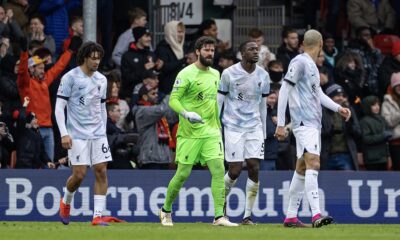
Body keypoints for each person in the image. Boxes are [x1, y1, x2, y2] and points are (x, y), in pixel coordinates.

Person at [274, 29, 351, 228]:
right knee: (313, 164)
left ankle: (291, 217)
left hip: (311, 124)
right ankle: (316, 214)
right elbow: (284, 90)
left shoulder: (312, 66)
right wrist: (281, 123)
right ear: (321, 43)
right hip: (304, 123)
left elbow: (319, 94)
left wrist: (338, 108)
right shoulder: (299, 62)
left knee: (301, 168)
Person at [158, 36, 238, 227]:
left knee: (219, 170)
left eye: (212, 50)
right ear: (197, 52)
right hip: (190, 132)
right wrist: (186, 113)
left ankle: (219, 216)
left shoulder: (216, 74)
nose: (210, 54)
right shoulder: (186, 74)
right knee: (183, 174)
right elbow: (173, 100)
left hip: (212, 131)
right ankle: (165, 210)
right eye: (206, 50)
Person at [55, 42, 119, 226]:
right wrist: (64, 134)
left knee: (101, 171)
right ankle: (66, 201)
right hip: (76, 134)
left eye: (99, 58)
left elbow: (101, 108)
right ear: (84, 57)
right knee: (79, 174)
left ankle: (97, 216)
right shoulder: (70, 78)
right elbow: (60, 107)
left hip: (98, 133)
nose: (97, 61)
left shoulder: (102, 79)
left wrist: (104, 131)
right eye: (93, 58)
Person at [217, 41, 269, 225]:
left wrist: (263, 130)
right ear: (241, 53)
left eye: (257, 49)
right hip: (233, 126)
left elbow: (263, 105)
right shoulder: (229, 73)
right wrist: (216, 123)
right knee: (235, 170)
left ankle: (247, 216)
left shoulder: (263, 75)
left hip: (254, 126)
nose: (256, 52)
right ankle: (220, 208)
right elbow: (220, 100)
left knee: (254, 167)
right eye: (251, 49)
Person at [360, 95, 391, 170]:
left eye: (378, 104)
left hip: (383, 157)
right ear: (367, 106)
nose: (377, 107)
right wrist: (382, 136)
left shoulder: (381, 119)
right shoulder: (364, 121)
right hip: (372, 159)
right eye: (374, 105)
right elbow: (366, 139)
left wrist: (388, 156)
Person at [381, 72, 400, 170]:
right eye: (398, 86)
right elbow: (388, 122)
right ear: (393, 87)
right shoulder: (387, 103)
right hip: (395, 143)